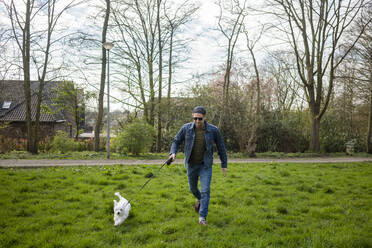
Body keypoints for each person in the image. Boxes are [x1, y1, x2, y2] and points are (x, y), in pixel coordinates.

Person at [169, 106, 227, 226]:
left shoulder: (213, 130)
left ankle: (202, 217)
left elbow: (221, 147)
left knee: (206, 191)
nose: (197, 121)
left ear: (204, 117)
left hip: (205, 165)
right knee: (193, 188)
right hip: (191, 164)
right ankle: (199, 199)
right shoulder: (186, 128)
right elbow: (176, 141)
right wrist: (173, 153)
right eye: (195, 118)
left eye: (199, 119)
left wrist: (224, 164)